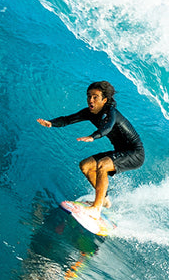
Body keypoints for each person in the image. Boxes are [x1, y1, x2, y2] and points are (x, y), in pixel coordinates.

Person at [37, 81, 144, 217]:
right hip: (121, 152)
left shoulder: (111, 113)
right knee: (86, 166)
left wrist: (93, 136)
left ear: (104, 100)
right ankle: (104, 200)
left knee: (103, 165)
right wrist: (51, 123)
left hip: (135, 153)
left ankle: (96, 208)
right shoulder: (89, 113)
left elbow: (108, 127)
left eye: (95, 97)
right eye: (89, 96)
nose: (90, 100)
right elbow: (67, 119)